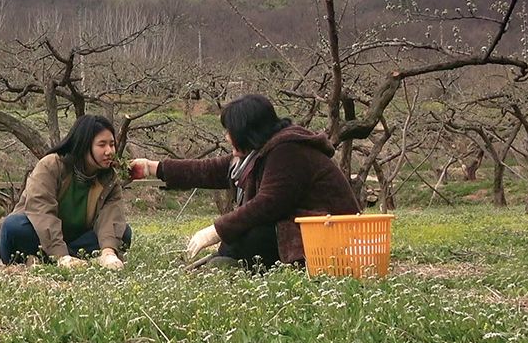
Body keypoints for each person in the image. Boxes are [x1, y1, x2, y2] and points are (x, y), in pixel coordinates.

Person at [130, 94, 358, 268]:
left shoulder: (288, 151)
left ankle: (224, 266)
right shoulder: (260, 153)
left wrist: (214, 231)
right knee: (241, 239)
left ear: (247, 133)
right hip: (308, 231)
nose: (227, 137)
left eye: (230, 131)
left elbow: (267, 205)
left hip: (332, 237)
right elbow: (209, 170)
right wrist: (154, 168)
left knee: (249, 238)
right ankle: (222, 263)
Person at [0, 114, 131, 270]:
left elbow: (111, 217)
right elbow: (42, 212)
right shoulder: (51, 165)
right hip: (40, 234)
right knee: (13, 226)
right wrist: (61, 256)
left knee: (123, 232)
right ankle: (62, 259)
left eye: (111, 144)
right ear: (84, 144)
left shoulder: (109, 178)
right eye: (102, 145)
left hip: (75, 240)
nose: (109, 151)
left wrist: (108, 252)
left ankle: (44, 260)